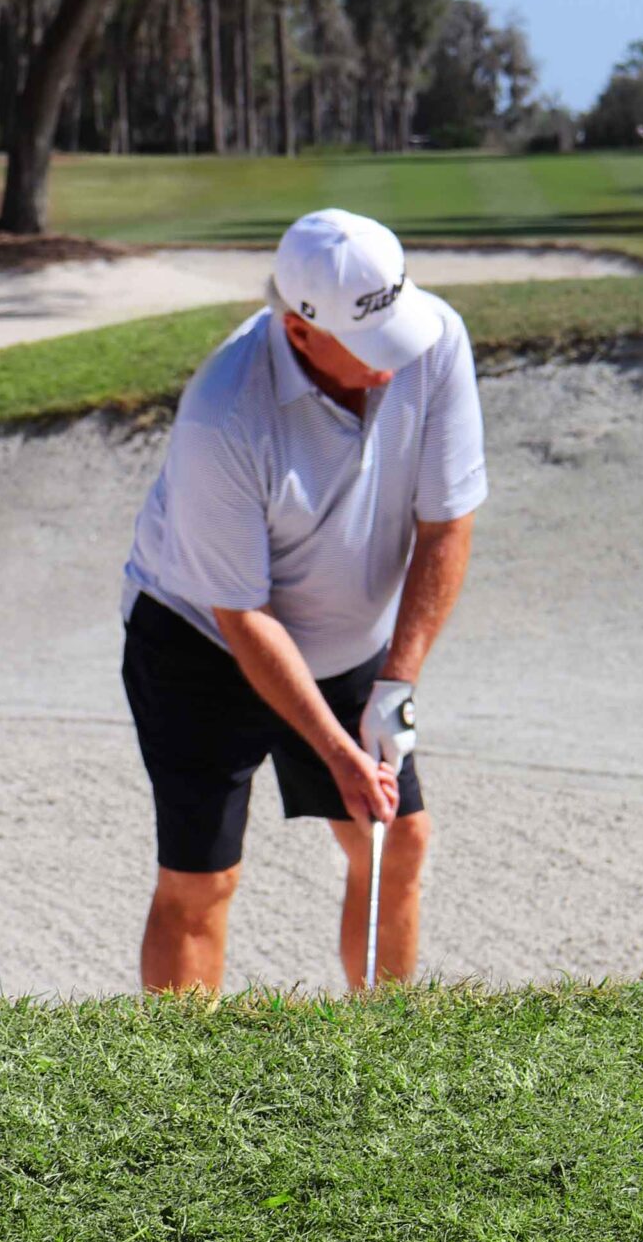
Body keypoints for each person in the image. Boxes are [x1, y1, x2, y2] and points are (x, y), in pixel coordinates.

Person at [120, 208, 484, 992]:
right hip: (201, 642)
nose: (392, 365)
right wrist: (334, 750)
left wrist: (397, 679)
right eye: (368, 348)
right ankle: (180, 1093)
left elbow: (448, 525)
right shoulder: (224, 413)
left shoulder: (434, 340)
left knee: (398, 840)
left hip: (346, 636)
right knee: (203, 881)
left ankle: (382, 1056)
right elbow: (242, 616)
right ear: (298, 331)